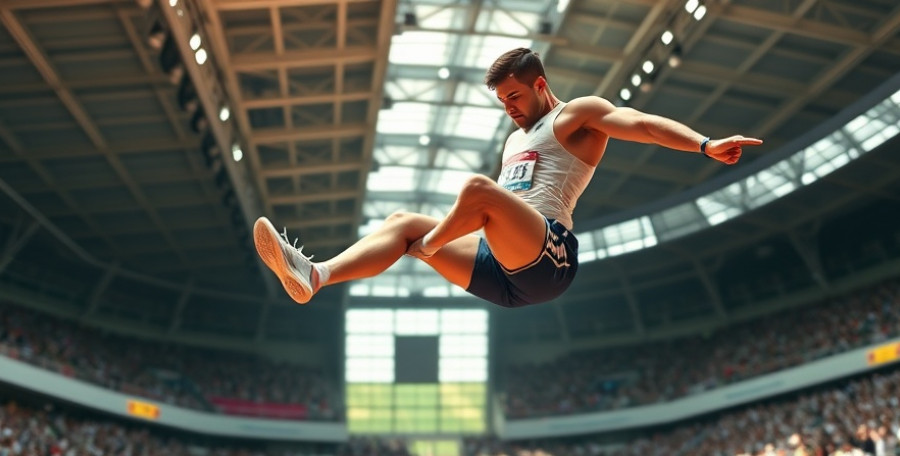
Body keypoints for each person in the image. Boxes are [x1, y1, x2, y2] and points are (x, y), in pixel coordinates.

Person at [254, 48, 763, 308]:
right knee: (401, 221)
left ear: (540, 84)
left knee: (478, 192)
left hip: (550, 259)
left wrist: (704, 143)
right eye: (501, 102)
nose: (509, 109)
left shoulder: (577, 114)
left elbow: (642, 124)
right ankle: (315, 275)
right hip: (503, 273)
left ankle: (428, 245)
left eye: (514, 97)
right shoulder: (514, 140)